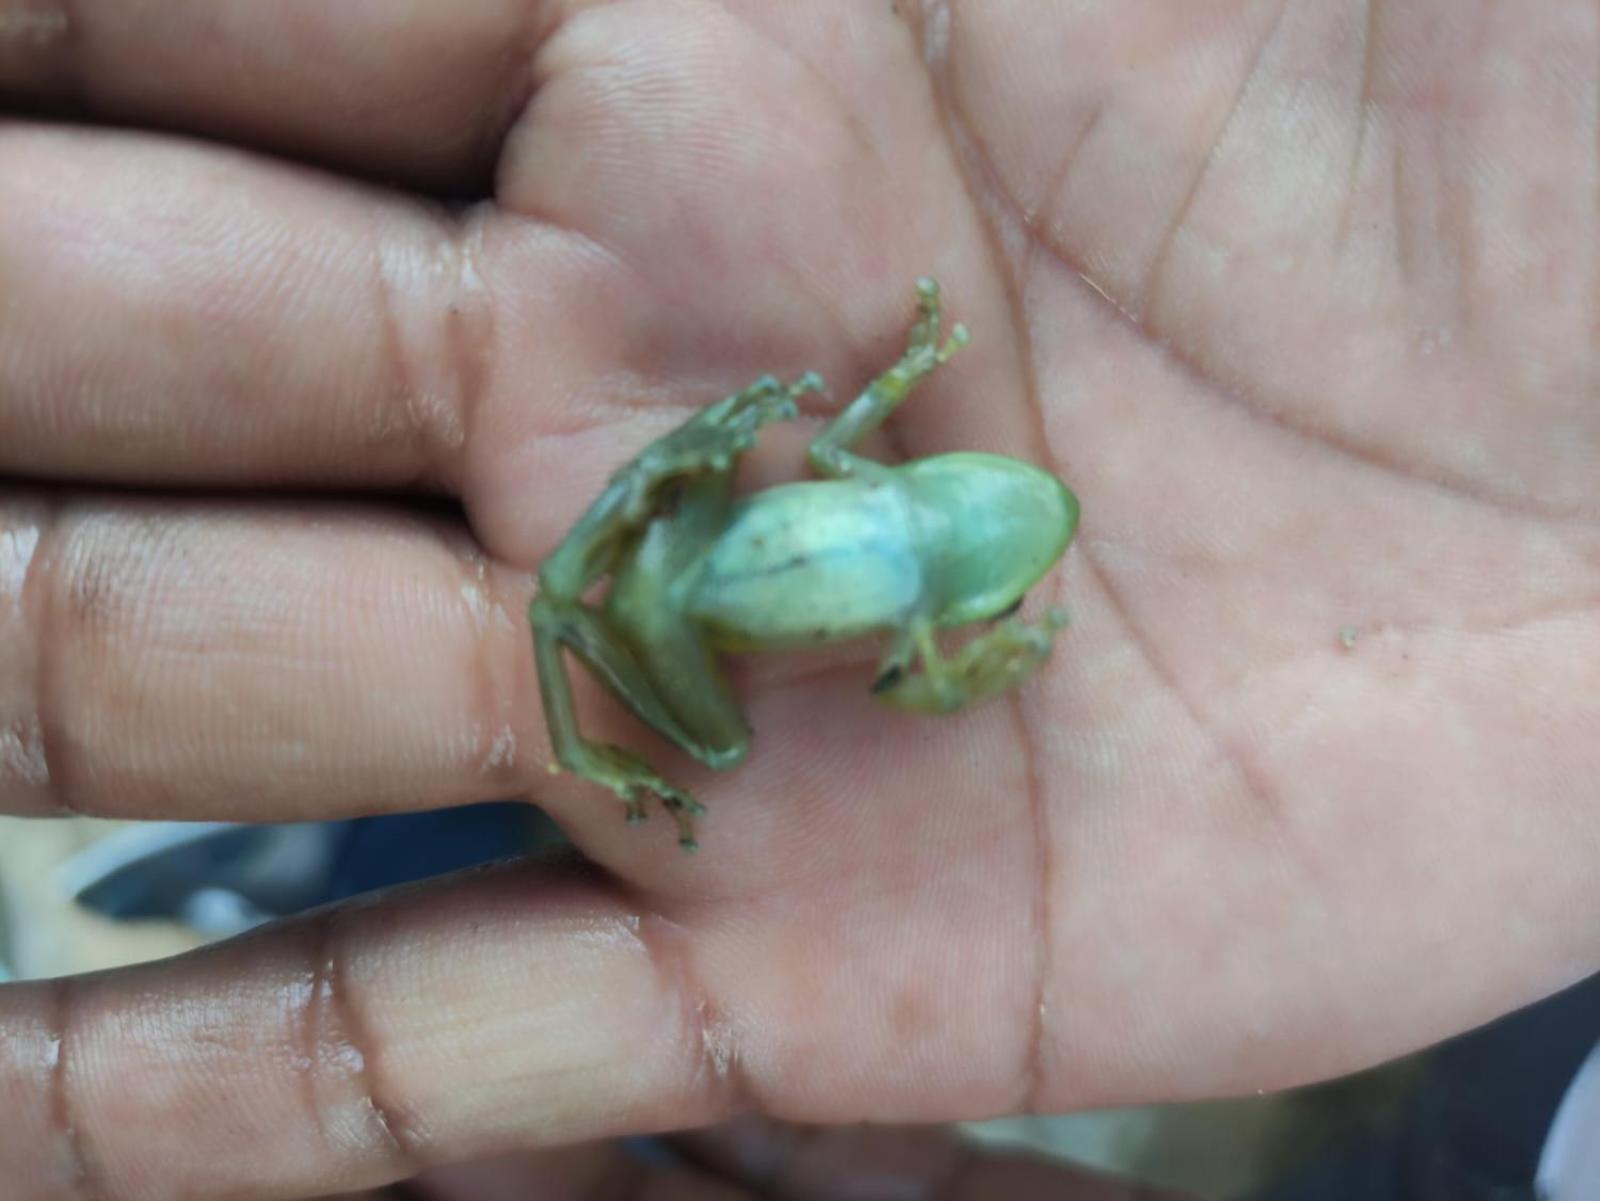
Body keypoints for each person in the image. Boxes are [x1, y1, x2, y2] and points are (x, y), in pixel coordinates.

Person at [0, 2, 1593, 1197]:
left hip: (703, 555)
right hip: (689, 604)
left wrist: (900, 393)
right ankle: (459, 784)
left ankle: (381, 814)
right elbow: (904, 681)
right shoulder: (910, 616)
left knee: (603, 647)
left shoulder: (869, 481)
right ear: (950, 537)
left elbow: (834, 448)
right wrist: (988, 653)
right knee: (676, 711)